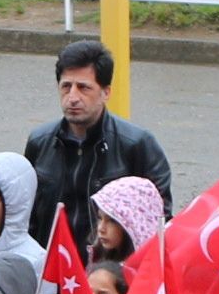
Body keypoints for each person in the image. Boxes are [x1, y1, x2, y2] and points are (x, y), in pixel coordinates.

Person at [17, 42, 172, 262]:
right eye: (66, 86)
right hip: (52, 271)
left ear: (105, 92)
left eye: (83, 87)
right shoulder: (40, 142)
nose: (72, 97)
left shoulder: (137, 145)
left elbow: (158, 222)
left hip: (110, 274)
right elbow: (27, 217)